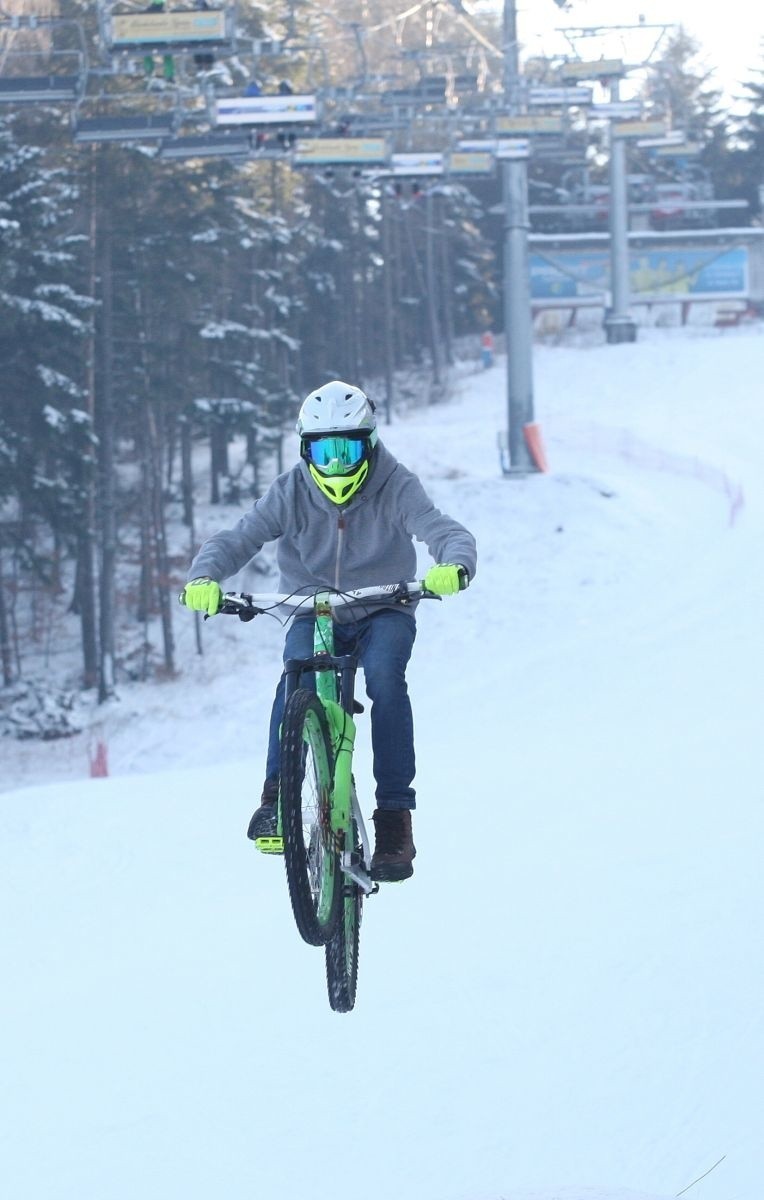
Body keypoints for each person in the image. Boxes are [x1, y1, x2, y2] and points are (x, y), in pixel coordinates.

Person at [179, 381, 477, 882]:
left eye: (348, 448)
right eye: (324, 450)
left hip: (385, 607)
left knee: (384, 677)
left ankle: (394, 818)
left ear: (371, 443)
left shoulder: (396, 484)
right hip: (312, 609)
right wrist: (204, 576)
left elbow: (442, 529)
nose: (337, 463)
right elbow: (239, 537)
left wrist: (454, 563)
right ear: (304, 450)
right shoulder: (291, 490)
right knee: (295, 676)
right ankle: (277, 799)